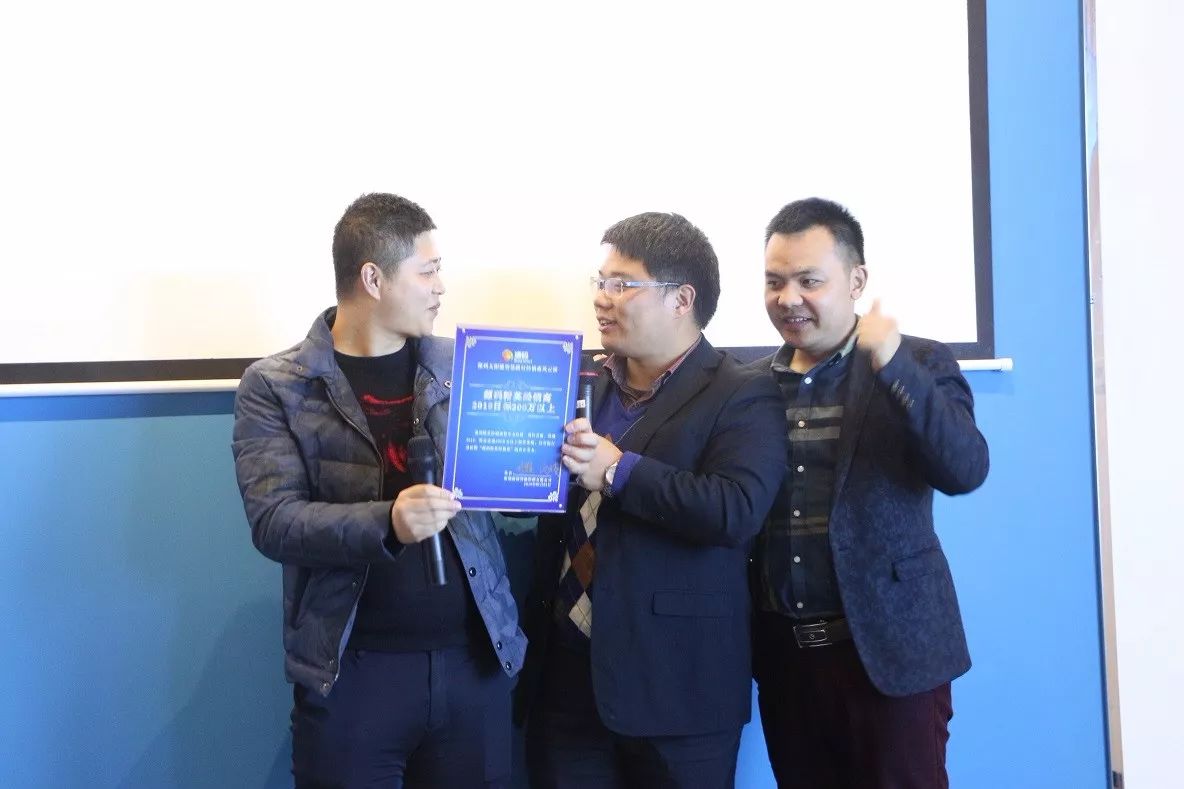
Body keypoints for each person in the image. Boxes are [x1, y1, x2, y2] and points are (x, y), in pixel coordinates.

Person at [231, 193, 525, 788]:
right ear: (373, 278)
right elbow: (275, 523)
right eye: (428, 271)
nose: (441, 287)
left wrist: (547, 463)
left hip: (474, 664)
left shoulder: (466, 365)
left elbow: (509, 493)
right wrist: (387, 521)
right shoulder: (278, 385)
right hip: (352, 674)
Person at [516, 211, 788, 788]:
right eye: (601, 281)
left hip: (678, 690)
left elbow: (733, 509)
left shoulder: (743, 390)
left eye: (622, 284)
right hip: (567, 678)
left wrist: (618, 470)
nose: (602, 298)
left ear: (681, 299)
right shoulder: (578, 381)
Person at [749, 197, 990, 788]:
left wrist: (892, 363)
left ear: (856, 281)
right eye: (775, 282)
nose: (788, 298)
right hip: (786, 661)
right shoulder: (750, 386)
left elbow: (965, 468)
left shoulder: (919, 361)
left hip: (892, 654)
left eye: (809, 281)